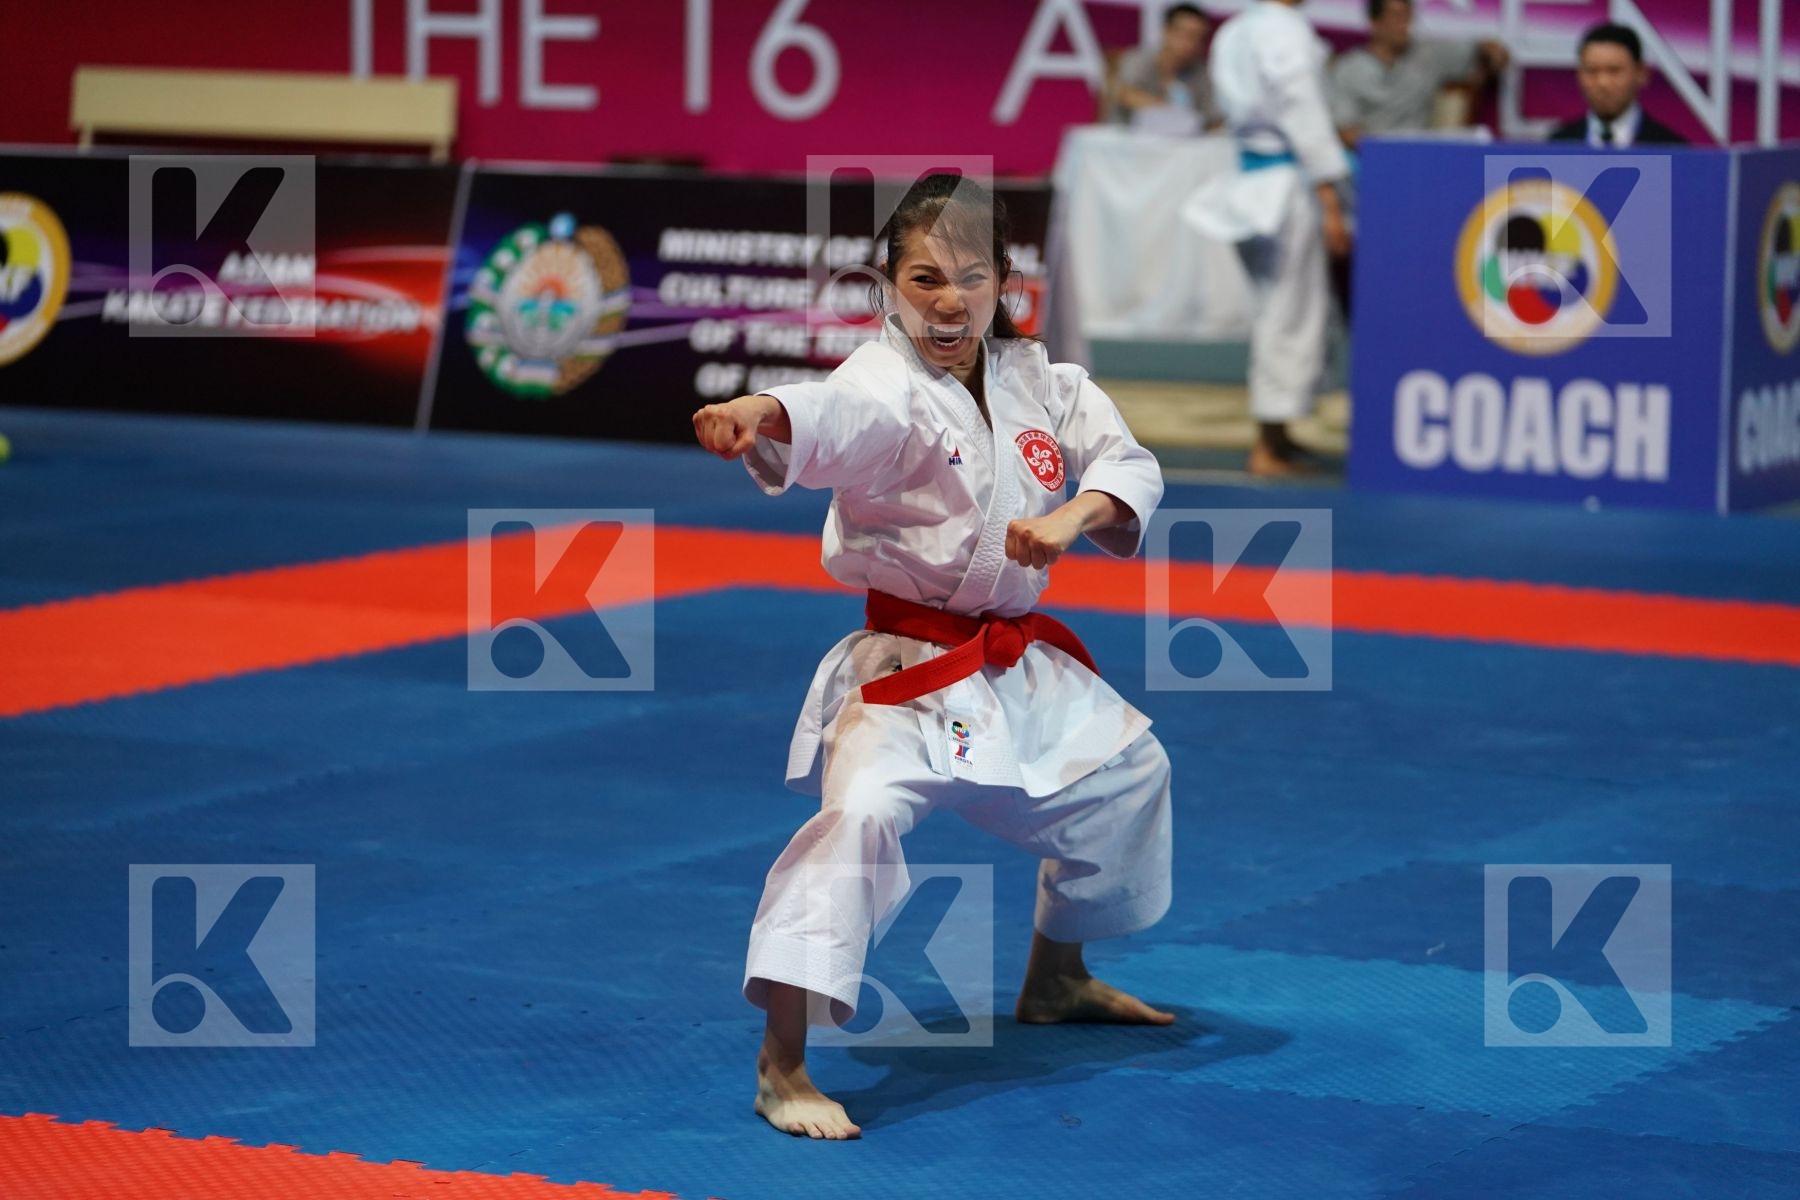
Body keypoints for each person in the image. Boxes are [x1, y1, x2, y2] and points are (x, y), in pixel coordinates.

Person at [692, 174, 1175, 1141]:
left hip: (1010, 665)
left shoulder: (1042, 380)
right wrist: (765, 413)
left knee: (1129, 775)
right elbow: (837, 415)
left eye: (970, 277)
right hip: (905, 675)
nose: (947, 301)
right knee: (860, 818)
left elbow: (1130, 463)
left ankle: (1057, 978)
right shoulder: (886, 384)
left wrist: (1076, 514)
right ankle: (782, 1064)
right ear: (887, 284)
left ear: (1005, 281)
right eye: (921, 279)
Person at [1183, 0, 1350, 477]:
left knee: (1277, 310)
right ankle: (1267, 447)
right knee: (1289, 313)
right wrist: (1329, 193)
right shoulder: (1285, 30)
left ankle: (1278, 434)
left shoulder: (1236, 29)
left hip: (1252, 181)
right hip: (1284, 185)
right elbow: (1300, 108)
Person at [1331, 0, 1509, 148]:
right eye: (1395, 16)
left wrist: (1493, 55)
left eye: (1407, 17)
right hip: (1371, 158)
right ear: (1374, 22)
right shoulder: (1348, 68)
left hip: (1419, 154)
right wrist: (1383, 153)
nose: (1403, 25)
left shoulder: (1428, 56)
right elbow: (1347, 131)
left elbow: (1486, 52)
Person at [1548, 23, 1687, 147]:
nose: (1603, 83)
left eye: (1614, 70)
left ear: (1641, 73)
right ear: (1579, 75)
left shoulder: (1670, 148)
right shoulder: (1558, 144)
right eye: (1592, 71)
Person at [1108, 3, 1222, 130]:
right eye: (1186, 35)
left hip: (1182, 146)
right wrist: (1172, 113)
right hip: (1129, 139)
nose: (1190, 44)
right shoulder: (1138, 60)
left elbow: (1212, 119)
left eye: (1198, 37)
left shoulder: (1202, 73)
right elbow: (1124, 93)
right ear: (1166, 31)